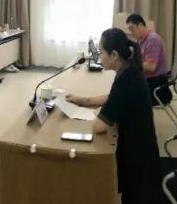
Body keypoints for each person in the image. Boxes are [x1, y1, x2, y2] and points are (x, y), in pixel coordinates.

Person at [66, 28, 163, 204]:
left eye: (101, 52)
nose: (99, 56)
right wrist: (83, 100)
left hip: (138, 166)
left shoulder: (126, 80)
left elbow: (98, 127)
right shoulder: (130, 69)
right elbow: (113, 97)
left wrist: (99, 113)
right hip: (144, 150)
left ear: (114, 55)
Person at [126, 13, 171, 105]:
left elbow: (151, 67)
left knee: (125, 95)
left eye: (132, 28)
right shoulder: (141, 40)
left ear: (140, 25)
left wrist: (131, 64)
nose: (131, 32)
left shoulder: (152, 39)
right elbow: (140, 59)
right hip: (149, 80)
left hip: (157, 85)